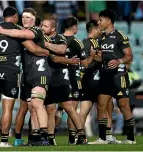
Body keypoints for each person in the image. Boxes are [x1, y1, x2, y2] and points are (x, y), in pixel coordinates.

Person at [0, 7, 49, 148]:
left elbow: (0, 49)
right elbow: (32, 48)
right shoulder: (18, 31)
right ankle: (4, 141)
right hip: (10, 70)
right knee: (7, 108)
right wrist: (46, 51)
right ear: (15, 17)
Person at [89, 9, 135, 144]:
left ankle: (131, 138)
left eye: (101, 20)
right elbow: (101, 59)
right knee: (101, 106)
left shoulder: (120, 36)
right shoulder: (101, 38)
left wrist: (119, 61)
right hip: (105, 76)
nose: (98, 22)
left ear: (109, 21)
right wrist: (94, 56)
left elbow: (129, 56)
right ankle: (102, 138)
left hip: (119, 75)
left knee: (124, 106)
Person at [41, 16, 88, 145]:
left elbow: (58, 56)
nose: (42, 28)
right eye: (42, 26)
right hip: (48, 78)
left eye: (45, 26)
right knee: (50, 109)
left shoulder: (61, 38)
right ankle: (51, 139)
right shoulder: (42, 38)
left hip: (62, 78)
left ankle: (81, 135)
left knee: (69, 108)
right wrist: (69, 61)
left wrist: (47, 48)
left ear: (53, 28)